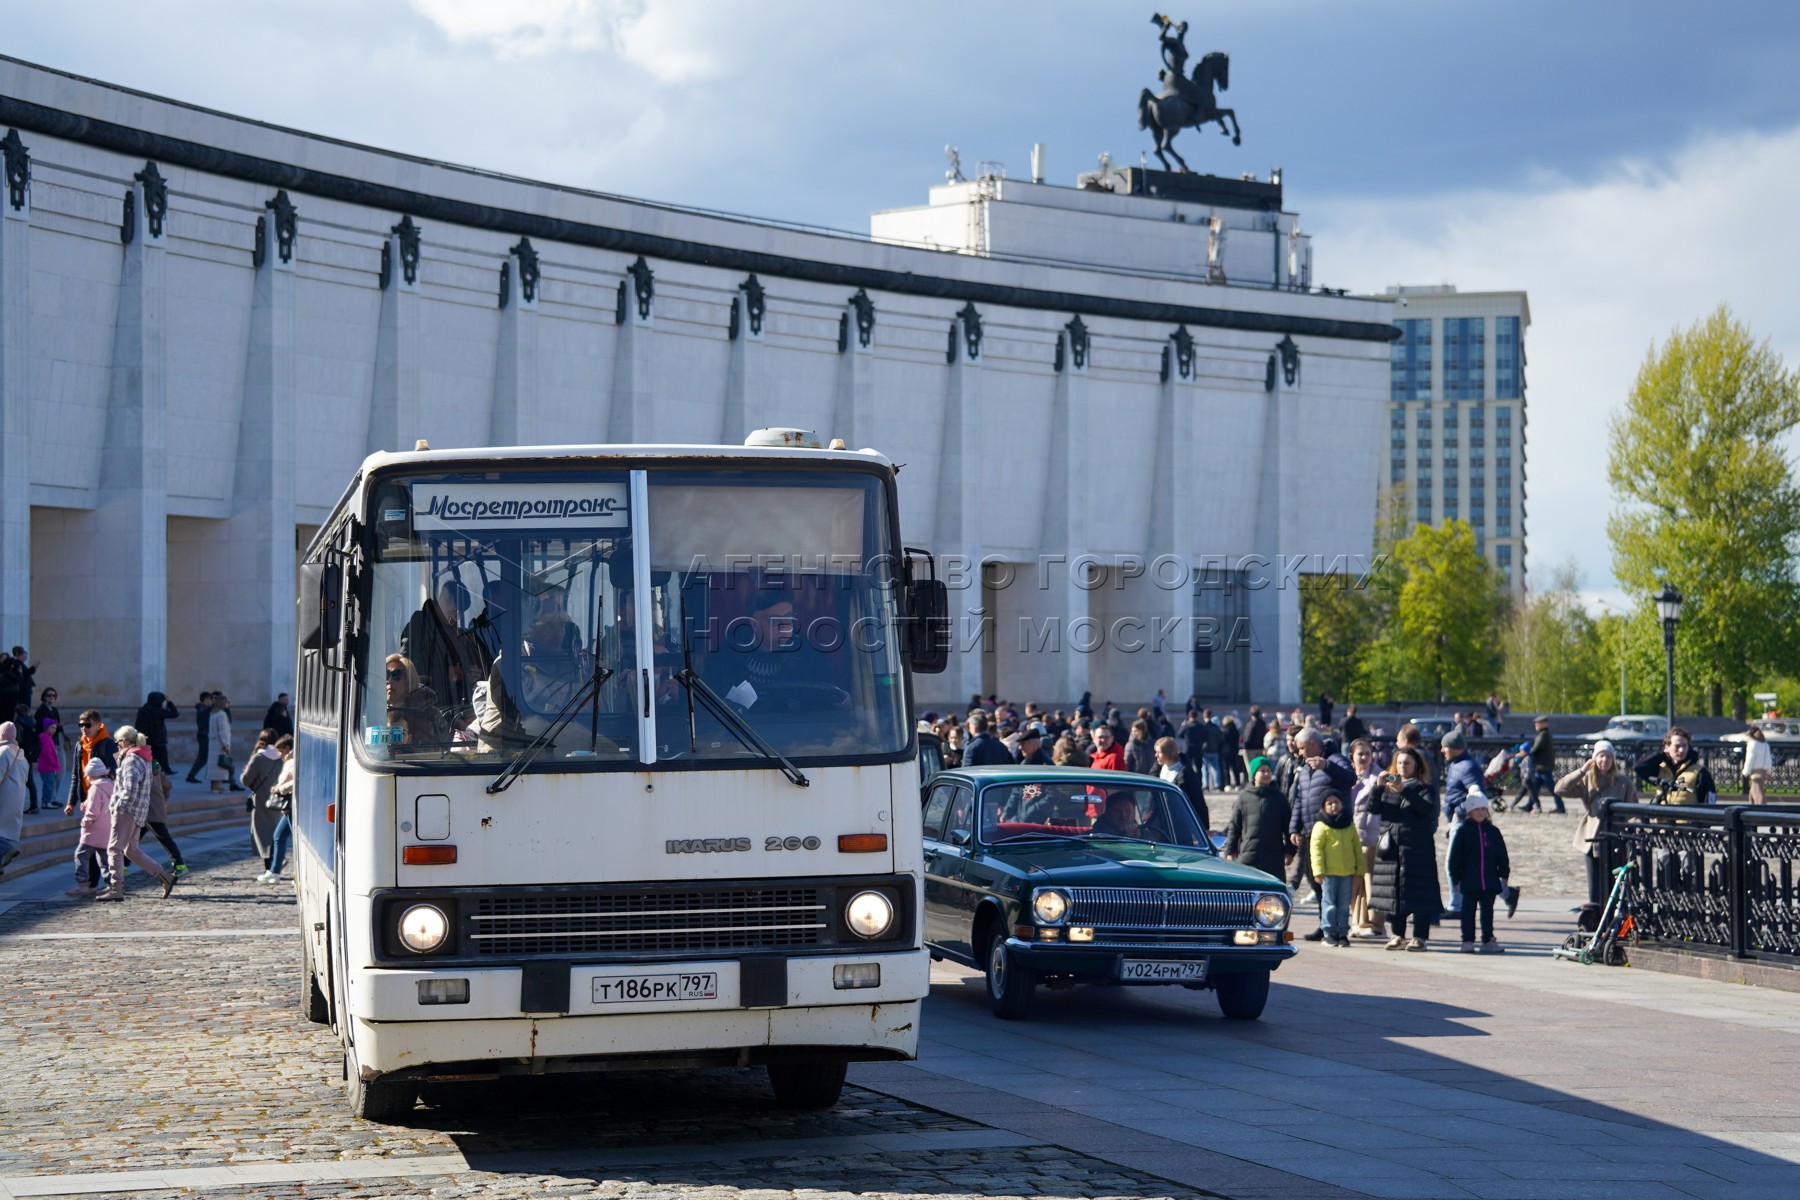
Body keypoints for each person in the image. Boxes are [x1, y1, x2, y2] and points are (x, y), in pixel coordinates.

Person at [1369, 746, 1442, 951]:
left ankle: (1420, 937)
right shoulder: (1388, 788)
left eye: (1407, 763)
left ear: (1417, 765)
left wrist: (1405, 791)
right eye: (1399, 763)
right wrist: (1378, 787)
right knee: (1396, 892)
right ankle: (1397, 934)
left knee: (1419, 893)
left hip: (1417, 848)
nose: (1402, 767)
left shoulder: (1424, 787)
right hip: (1391, 847)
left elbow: (1427, 809)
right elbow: (1373, 809)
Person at [1286, 728, 1355, 939]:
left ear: (1314, 744)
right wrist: (1294, 828)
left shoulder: (1334, 759)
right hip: (1309, 831)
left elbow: (1350, 778)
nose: (1299, 753)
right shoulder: (1306, 766)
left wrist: (1327, 767)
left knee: (1330, 883)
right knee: (1312, 878)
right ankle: (1324, 923)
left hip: (1331, 832)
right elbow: (1300, 798)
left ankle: (1335, 927)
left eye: (1302, 748)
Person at [96, 726, 177, 900]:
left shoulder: (131, 759)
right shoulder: (143, 757)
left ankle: (116, 888)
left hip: (128, 810)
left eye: (118, 743)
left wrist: (118, 806)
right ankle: (165, 877)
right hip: (139, 811)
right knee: (131, 851)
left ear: (125, 741)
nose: (117, 746)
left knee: (114, 848)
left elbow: (130, 788)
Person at [1555, 740, 1638, 907]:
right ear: (1594, 758)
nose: (1604, 760)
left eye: (1608, 757)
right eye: (1601, 756)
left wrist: (1632, 835)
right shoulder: (1587, 780)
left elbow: (1633, 811)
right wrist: (1582, 770)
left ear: (1613, 760)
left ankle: (1614, 916)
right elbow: (1560, 789)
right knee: (1595, 885)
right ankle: (1595, 917)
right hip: (1593, 837)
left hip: (1616, 837)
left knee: (1615, 882)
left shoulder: (1623, 782)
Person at [1447, 797, 1510, 954]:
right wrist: (1455, 878)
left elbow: (1502, 854)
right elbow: (1454, 858)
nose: (1480, 813)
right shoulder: (1463, 832)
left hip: (1489, 880)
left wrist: (1504, 873)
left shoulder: (1493, 831)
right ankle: (1467, 940)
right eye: (1476, 810)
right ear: (1469, 812)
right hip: (1469, 881)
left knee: (1487, 913)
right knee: (1468, 913)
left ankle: (1488, 940)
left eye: (1483, 809)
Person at [1440, 729, 1486, 916]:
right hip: (1457, 820)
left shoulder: (1466, 766)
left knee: (1453, 864)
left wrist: (1458, 814)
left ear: (1454, 748)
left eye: (1445, 747)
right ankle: (1507, 893)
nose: (1442, 751)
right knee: (1467, 865)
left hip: (1462, 821)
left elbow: (1477, 795)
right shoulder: (1458, 764)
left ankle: (1457, 906)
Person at [1309, 793, 1364, 947]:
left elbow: (1357, 849)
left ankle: (1342, 933)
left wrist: (1360, 870)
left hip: (1347, 873)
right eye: (1329, 803)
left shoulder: (1349, 825)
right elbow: (1316, 850)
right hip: (1328, 873)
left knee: (1344, 904)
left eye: (1336, 802)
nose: (1334, 806)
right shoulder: (1321, 826)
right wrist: (1318, 871)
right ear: (1323, 807)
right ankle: (1328, 932)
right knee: (1329, 903)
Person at [1222, 756, 1290, 881]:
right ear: (1253, 774)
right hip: (1248, 855)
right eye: (1262, 770)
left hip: (1273, 857)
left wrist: (1290, 851)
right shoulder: (1244, 798)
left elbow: (1288, 827)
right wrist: (1231, 850)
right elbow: (1234, 826)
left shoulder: (1279, 798)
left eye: (1268, 770)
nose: (1266, 774)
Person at [1347, 738, 1386, 940]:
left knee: (1370, 882)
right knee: (1354, 882)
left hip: (1372, 836)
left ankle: (1375, 923)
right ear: (1352, 756)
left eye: (1367, 754)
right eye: (1360, 753)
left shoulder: (1378, 777)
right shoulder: (1347, 777)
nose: (1364, 757)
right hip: (1350, 836)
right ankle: (1357, 921)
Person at [65, 757, 115, 896]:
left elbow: (93, 812)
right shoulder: (111, 785)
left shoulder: (95, 788)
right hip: (108, 828)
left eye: (87, 775)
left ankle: (83, 885)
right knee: (104, 858)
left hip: (94, 830)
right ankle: (112, 884)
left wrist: (84, 823)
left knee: (81, 854)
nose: (86, 778)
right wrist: (86, 804)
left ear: (92, 775)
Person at [1635, 727, 1716, 806]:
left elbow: (1709, 803)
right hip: (1663, 818)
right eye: (1677, 746)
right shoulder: (1661, 769)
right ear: (1667, 747)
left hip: (1687, 819)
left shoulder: (1700, 772)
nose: (1681, 750)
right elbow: (1639, 767)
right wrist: (1663, 754)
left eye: (1685, 746)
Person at [241, 728, 284, 873]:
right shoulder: (281, 757)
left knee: (263, 834)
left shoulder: (258, 758)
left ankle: (270, 868)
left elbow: (246, 780)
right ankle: (277, 862)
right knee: (276, 832)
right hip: (279, 800)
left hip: (262, 801)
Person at [385, 654, 451, 747]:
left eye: (395, 675)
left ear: (408, 681)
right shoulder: (371, 712)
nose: (389, 680)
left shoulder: (430, 714)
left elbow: (440, 751)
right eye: (386, 674)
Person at [142, 759, 187, 875]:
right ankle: (123, 865)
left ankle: (179, 864)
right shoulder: (156, 768)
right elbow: (168, 785)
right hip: (154, 810)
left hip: (147, 811)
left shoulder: (139, 768)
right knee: (132, 840)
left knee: (164, 838)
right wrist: (163, 800)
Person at [261, 735, 296, 883]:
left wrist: (280, 788)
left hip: (291, 805)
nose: (279, 754)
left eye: (280, 751)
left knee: (285, 838)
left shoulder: (292, 762)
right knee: (279, 837)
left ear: (287, 748)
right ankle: (274, 871)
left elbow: (296, 780)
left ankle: (276, 871)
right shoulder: (289, 760)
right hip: (288, 806)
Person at [1155, 735, 1209, 831]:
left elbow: (1198, 800)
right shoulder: (1158, 769)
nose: (1156, 755)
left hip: (1181, 822)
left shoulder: (1185, 772)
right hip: (1162, 821)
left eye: (1159, 752)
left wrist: (1204, 827)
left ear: (1169, 753)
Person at [66, 711, 117, 810]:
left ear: (98, 725)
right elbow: (76, 775)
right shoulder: (79, 745)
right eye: (81, 725)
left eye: (88, 725)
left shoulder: (109, 744)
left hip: (104, 800)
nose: (84, 728)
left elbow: (113, 774)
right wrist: (71, 803)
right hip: (86, 798)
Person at [1514, 716, 1561, 813]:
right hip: (1541, 766)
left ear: (1544, 724)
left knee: (1552, 789)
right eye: (1536, 723)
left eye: (1538, 723)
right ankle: (1529, 805)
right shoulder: (1543, 734)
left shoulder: (1543, 735)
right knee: (1534, 787)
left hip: (1544, 766)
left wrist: (1525, 753)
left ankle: (1560, 807)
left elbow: (1536, 749)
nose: (1536, 725)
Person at [0, 721, 27, 874]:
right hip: (16, 799)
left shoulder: (3, 751)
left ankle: (7, 848)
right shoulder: (20, 754)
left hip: (3, 798)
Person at [133, 691, 181, 776]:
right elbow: (175, 713)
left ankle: (162, 770)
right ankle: (157, 773)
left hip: (146, 739)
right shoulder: (158, 711)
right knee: (158, 758)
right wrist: (169, 702)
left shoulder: (143, 710)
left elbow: (138, 725)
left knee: (154, 756)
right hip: (158, 739)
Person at [35, 717, 65, 824]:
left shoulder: (48, 737)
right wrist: (53, 763)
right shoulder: (45, 738)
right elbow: (47, 753)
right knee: (49, 784)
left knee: (49, 783)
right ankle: (46, 802)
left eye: (55, 728)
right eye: (52, 728)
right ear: (46, 728)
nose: (54, 730)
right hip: (47, 766)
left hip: (48, 766)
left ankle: (46, 801)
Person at [207, 694, 235, 792]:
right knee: (220, 766)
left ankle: (215, 785)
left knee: (215, 765)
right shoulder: (222, 715)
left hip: (214, 743)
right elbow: (223, 731)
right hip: (220, 745)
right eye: (227, 702)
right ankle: (217, 786)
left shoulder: (213, 713)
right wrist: (226, 744)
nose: (229, 703)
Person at [186, 690, 214, 783]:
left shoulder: (203, 708)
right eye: (210, 698)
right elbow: (206, 710)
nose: (211, 701)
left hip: (205, 735)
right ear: (206, 699)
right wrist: (215, 703)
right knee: (203, 757)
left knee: (204, 757)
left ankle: (191, 775)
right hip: (203, 735)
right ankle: (191, 775)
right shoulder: (202, 708)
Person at [1741, 725, 1773, 805]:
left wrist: (1746, 771)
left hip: (1755, 771)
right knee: (1755, 790)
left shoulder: (1753, 744)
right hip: (1762, 771)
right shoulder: (1765, 745)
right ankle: (1752, 805)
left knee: (1758, 792)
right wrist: (1768, 770)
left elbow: (1750, 759)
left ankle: (1760, 809)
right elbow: (1768, 758)